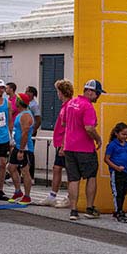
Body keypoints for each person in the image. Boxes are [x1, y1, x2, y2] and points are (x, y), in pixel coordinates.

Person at [62, 80, 105, 221]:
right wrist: (98, 139)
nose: (98, 97)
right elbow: (89, 128)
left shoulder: (70, 103)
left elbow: (63, 121)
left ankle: (73, 210)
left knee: (73, 179)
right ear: (91, 92)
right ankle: (89, 207)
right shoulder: (88, 107)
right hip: (85, 148)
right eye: (98, 93)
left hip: (69, 146)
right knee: (91, 177)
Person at [41, 79, 73, 207]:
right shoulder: (64, 106)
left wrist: (64, 144)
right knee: (57, 168)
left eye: (58, 91)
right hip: (60, 141)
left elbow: (68, 127)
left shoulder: (68, 106)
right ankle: (53, 195)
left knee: (66, 170)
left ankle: (69, 196)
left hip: (64, 143)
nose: (57, 94)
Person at [104, 122, 127, 223]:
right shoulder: (112, 145)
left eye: (126, 134)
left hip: (125, 171)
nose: (125, 136)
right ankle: (118, 211)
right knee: (117, 192)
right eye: (123, 134)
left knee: (124, 191)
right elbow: (106, 159)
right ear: (116, 134)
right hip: (116, 172)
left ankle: (120, 209)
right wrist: (116, 167)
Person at [7, 93, 35, 206]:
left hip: (25, 148)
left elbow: (25, 133)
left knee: (25, 171)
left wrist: (22, 150)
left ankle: (27, 196)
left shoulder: (26, 115)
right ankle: (18, 191)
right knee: (11, 167)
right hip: (18, 146)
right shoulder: (21, 114)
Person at [24, 86, 42, 179]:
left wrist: (33, 131)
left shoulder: (34, 105)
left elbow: (38, 119)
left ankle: (31, 175)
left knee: (30, 152)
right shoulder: (26, 104)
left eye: (28, 92)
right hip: (25, 131)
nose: (26, 93)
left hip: (31, 132)